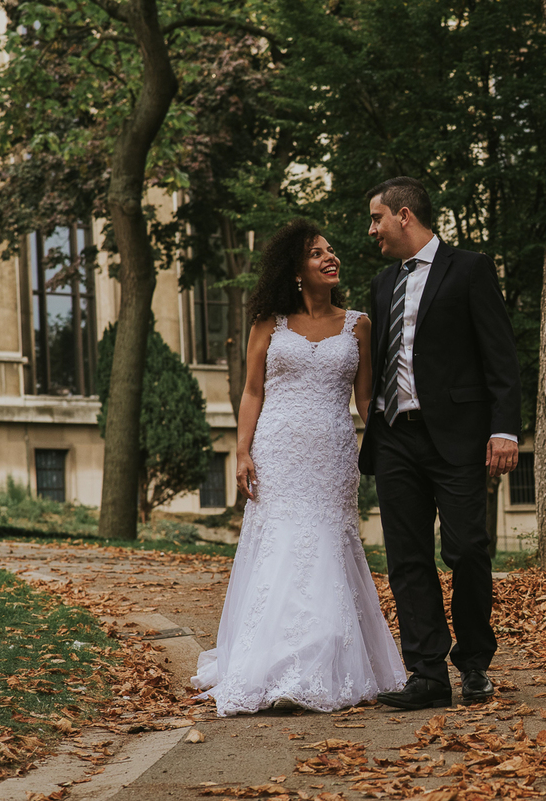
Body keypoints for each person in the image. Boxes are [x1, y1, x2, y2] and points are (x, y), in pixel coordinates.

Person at [191, 219, 406, 716]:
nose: (330, 258)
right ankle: (274, 667)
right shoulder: (269, 323)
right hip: (278, 452)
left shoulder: (359, 324)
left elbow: (366, 398)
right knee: (282, 549)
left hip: (331, 453)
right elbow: (252, 391)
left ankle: (319, 663)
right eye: (317, 253)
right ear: (295, 271)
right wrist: (242, 451)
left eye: (331, 251)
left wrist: (394, 447)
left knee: (326, 547)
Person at [359, 177, 522, 710]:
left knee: (467, 550)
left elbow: (499, 355)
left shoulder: (470, 268)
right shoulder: (383, 283)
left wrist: (504, 429)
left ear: (404, 215)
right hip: (395, 438)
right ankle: (426, 673)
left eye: (377, 217)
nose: (372, 229)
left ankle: (473, 661)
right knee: (407, 558)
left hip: (457, 438)